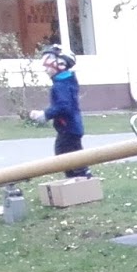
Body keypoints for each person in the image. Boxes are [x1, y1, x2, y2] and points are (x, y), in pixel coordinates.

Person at [29, 45, 88, 178]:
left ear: (61, 64)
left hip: (69, 129)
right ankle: (79, 179)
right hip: (70, 128)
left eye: (47, 66)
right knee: (70, 157)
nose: (45, 69)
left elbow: (64, 106)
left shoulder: (61, 85)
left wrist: (45, 114)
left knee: (67, 158)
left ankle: (82, 180)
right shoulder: (65, 82)